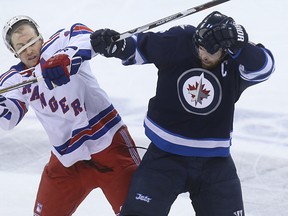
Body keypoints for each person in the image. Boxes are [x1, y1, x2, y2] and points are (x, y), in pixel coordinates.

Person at [89, 11, 275, 216]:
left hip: (215, 163)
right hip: (164, 157)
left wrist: (241, 45)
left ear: (226, 51)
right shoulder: (180, 40)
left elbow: (266, 66)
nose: (203, 55)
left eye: (211, 52)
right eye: (200, 47)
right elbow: (140, 46)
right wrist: (116, 45)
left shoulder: (235, 59)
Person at [0, 15, 141, 216]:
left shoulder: (60, 42)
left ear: (40, 37)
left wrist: (64, 57)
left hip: (109, 145)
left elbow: (84, 33)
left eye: (31, 41)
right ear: (14, 52)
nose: (29, 49)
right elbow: (8, 119)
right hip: (67, 160)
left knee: (138, 212)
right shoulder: (13, 80)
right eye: (21, 47)